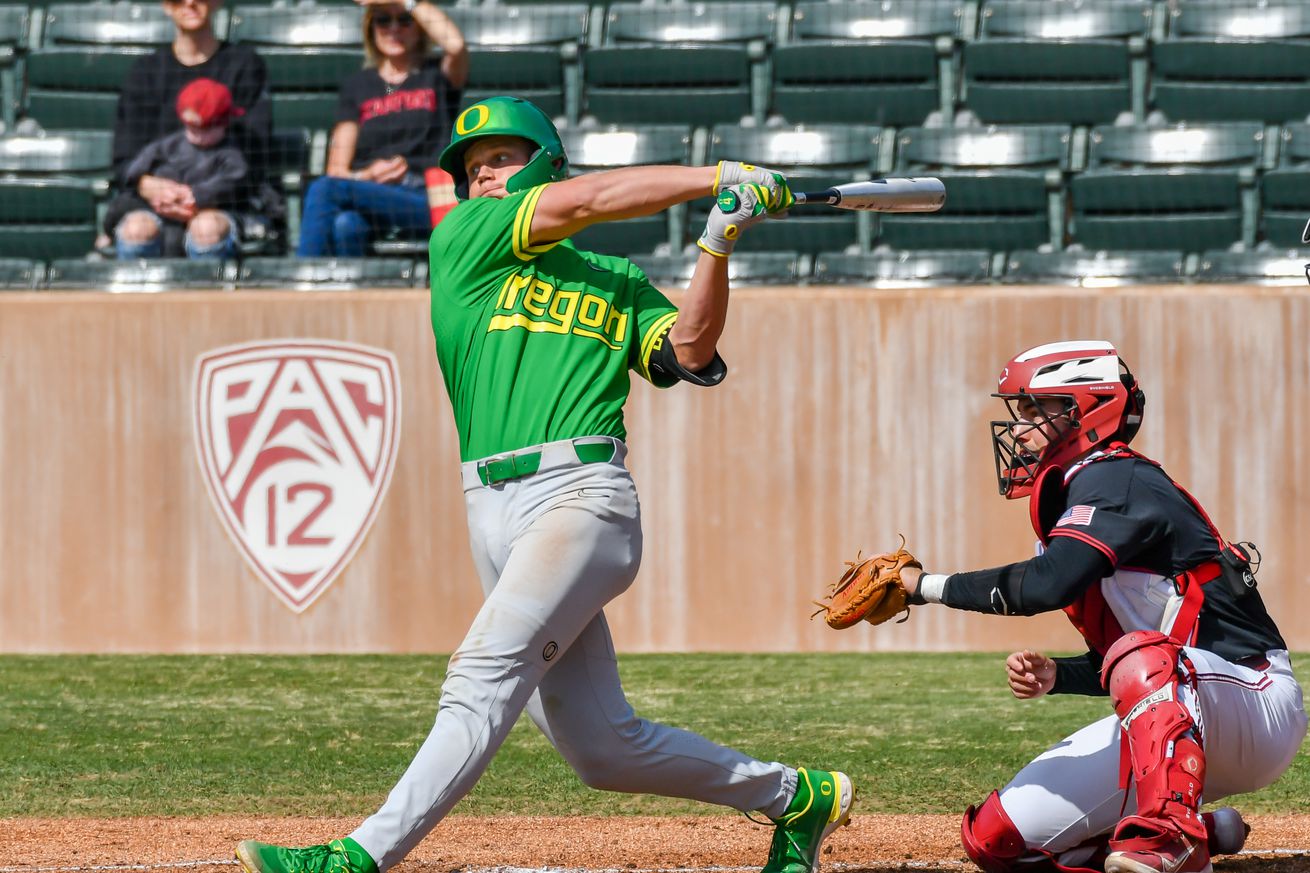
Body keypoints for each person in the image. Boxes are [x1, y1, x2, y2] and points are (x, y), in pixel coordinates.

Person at [236, 95, 854, 873]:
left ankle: (358, 856)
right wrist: (715, 176)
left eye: (501, 157)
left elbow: (691, 351)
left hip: (582, 496)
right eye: (472, 166)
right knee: (602, 748)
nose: (484, 175)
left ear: (543, 162)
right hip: (489, 506)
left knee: (481, 671)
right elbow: (591, 199)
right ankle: (796, 796)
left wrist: (718, 239)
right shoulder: (464, 239)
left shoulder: (615, 278)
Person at [889, 341, 1306, 873]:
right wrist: (1056, 677)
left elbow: (1047, 587)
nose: (1019, 429)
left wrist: (922, 586)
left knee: (1143, 657)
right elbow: (1128, 658)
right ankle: (1206, 827)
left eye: (1035, 410)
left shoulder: (1118, 479)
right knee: (996, 841)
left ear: (1088, 408)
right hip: (1186, 703)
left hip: (1255, 700)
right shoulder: (1083, 493)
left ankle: (1172, 839)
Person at [296, 0, 467, 257]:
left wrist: (406, 1)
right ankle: (345, 295)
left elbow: (456, 45)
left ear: (419, 26)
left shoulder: (435, 75)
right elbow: (336, 169)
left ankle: (300, 281)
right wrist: (368, 175)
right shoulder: (357, 85)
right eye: (384, 20)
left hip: (426, 195)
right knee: (346, 225)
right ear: (371, 28)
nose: (394, 28)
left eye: (405, 20)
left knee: (322, 188)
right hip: (373, 193)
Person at [108, 0, 276, 257]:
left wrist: (199, 195)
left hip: (227, 197)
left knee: (207, 228)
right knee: (136, 230)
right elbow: (125, 158)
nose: (189, 3)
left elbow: (255, 153)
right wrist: (151, 186)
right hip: (154, 200)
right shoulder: (146, 71)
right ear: (165, 5)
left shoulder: (244, 65)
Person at [108, 78, 249, 259]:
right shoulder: (167, 146)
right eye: (192, 128)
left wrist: (195, 196)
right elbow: (132, 174)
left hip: (214, 211)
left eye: (207, 129)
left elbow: (235, 180)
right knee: (137, 230)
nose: (199, 136)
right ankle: (137, 285)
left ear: (224, 123)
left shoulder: (231, 153)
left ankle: (207, 284)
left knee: (208, 229)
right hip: (157, 210)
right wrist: (156, 190)